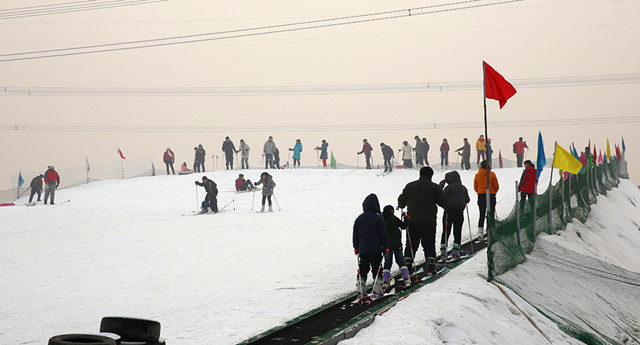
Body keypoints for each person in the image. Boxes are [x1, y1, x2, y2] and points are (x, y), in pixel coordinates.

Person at [398, 167, 452, 273]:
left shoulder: (410, 186)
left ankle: (407, 265)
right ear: (431, 176)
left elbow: (401, 203)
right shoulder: (434, 187)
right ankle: (431, 265)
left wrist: (402, 200)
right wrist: (451, 206)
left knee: (411, 244)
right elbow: (444, 203)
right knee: (429, 243)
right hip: (429, 221)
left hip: (412, 221)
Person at [353, 194, 390, 302]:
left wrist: (356, 247)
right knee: (376, 269)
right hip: (376, 249)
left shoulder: (359, 219)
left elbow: (355, 234)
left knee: (363, 269)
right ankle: (377, 290)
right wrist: (386, 246)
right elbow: (383, 234)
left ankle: (361, 291)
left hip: (363, 249)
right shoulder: (378, 218)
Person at [438, 171, 470, 261]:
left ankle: (443, 253)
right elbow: (467, 200)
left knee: (446, 231)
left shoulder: (448, 188)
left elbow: (441, 196)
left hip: (448, 212)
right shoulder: (463, 188)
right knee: (457, 231)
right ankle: (456, 252)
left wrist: (441, 185)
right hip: (459, 212)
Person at [382, 205, 411, 289]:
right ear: (391, 211)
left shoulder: (382, 219)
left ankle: (385, 281)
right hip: (397, 243)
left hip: (386, 245)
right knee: (401, 260)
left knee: (387, 263)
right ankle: (406, 278)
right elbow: (403, 226)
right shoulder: (393, 218)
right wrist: (406, 219)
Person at [474, 160, 499, 240]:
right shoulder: (492, 174)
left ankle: (480, 233)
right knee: (491, 213)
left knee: (481, 214)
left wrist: (480, 191)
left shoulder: (477, 175)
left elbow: (475, 187)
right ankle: (491, 231)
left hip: (481, 196)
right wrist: (493, 192)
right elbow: (496, 186)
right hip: (491, 195)